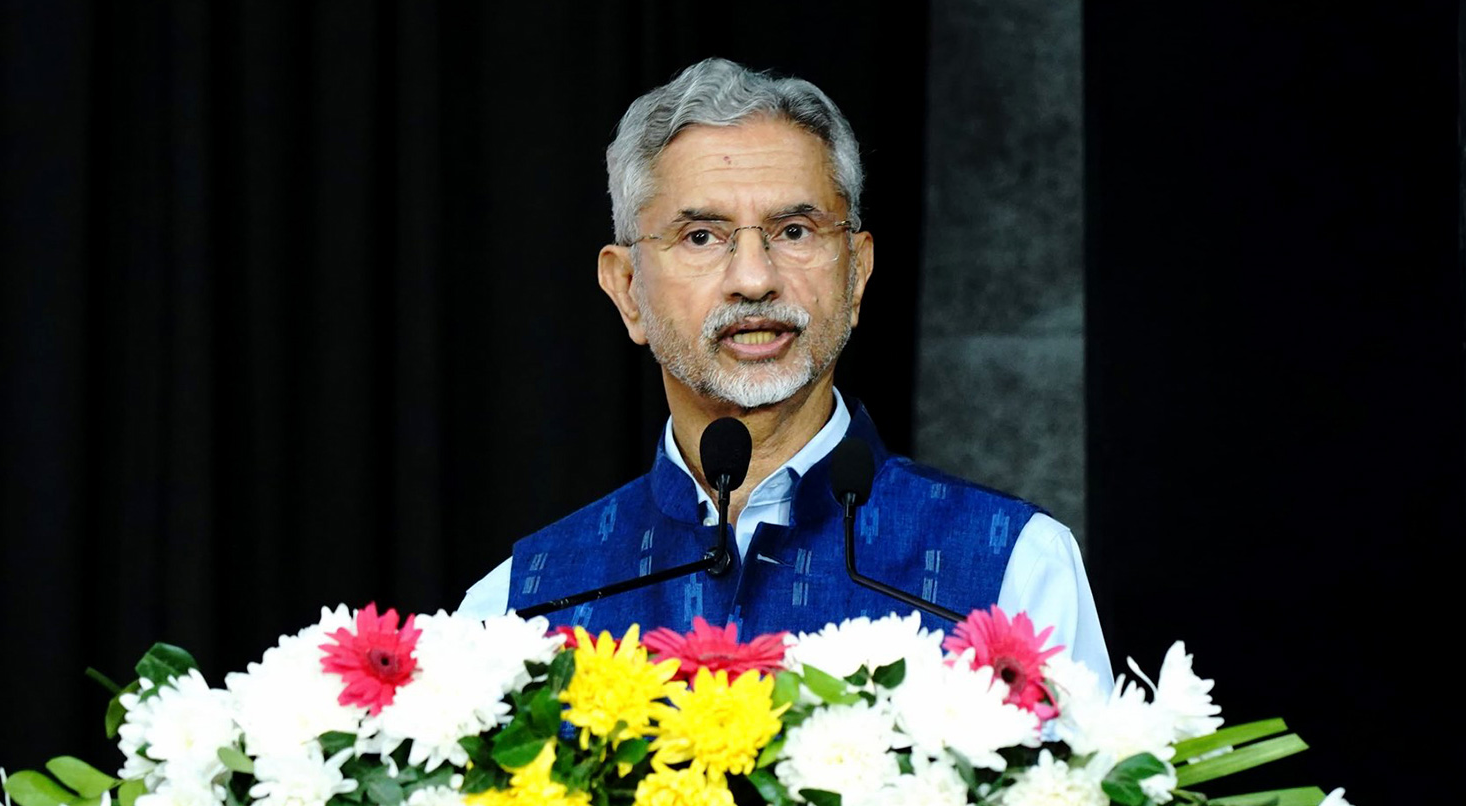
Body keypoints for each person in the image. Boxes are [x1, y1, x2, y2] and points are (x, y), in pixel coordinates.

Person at [458, 58, 1112, 686]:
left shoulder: (1016, 572)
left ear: (856, 274)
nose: (753, 279)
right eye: (701, 236)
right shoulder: (518, 607)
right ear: (628, 290)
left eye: (795, 231)